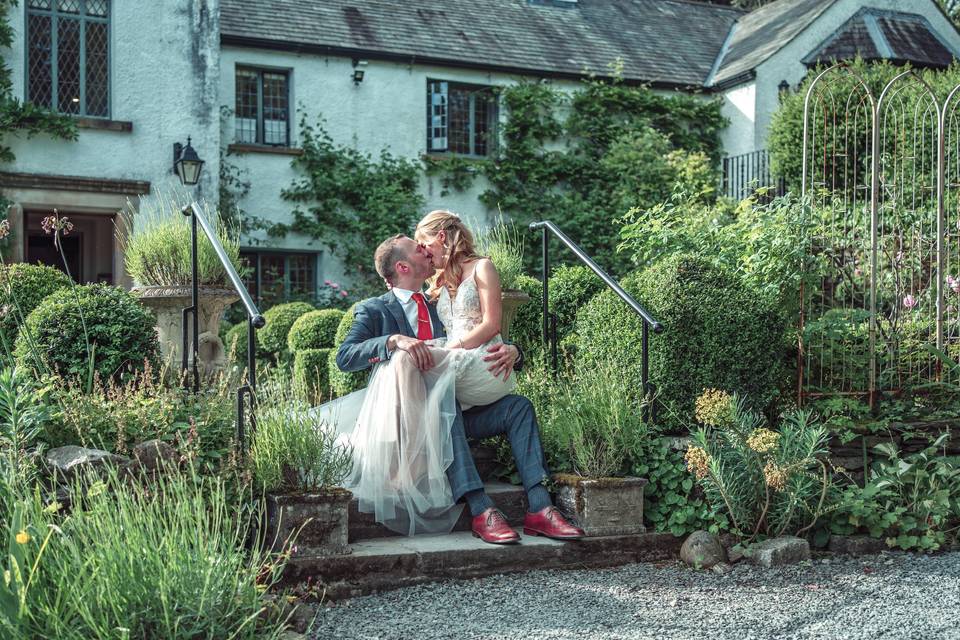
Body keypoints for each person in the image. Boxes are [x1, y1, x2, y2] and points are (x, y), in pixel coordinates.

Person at [331, 215, 583, 543]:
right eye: (417, 249)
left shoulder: (440, 298)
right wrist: (393, 341)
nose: (425, 250)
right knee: (442, 399)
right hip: (415, 420)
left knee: (518, 407)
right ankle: (481, 508)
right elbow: (345, 357)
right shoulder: (375, 309)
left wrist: (514, 352)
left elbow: (477, 331)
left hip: (459, 400)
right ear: (403, 267)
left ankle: (541, 507)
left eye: (425, 244)